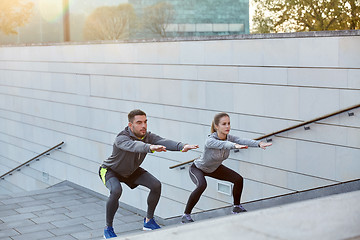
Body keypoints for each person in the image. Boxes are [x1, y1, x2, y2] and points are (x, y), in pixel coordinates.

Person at [99, 109, 198, 239]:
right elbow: (134, 146)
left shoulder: (148, 136)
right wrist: (150, 147)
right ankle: (108, 228)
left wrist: (182, 146)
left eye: (145, 122)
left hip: (131, 171)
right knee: (116, 190)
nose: (143, 126)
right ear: (130, 125)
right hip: (110, 170)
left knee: (155, 185)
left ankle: (148, 221)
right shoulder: (121, 138)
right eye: (139, 123)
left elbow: (163, 141)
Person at [181, 112, 272, 223]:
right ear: (216, 126)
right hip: (198, 168)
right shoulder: (210, 140)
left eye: (229, 123)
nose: (227, 126)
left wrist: (258, 143)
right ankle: (186, 215)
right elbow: (223, 144)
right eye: (224, 124)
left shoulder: (229, 137)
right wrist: (234, 146)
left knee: (238, 179)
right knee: (202, 185)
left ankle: (237, 207)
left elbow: (241, 140)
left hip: (215, 168)